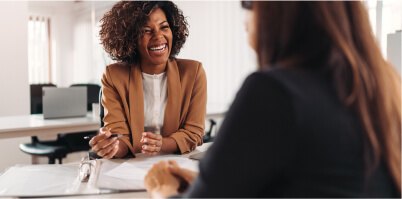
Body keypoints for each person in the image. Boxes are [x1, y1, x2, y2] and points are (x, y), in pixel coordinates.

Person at [144, 1, 401, 198]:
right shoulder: (384, 88)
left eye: (248, 4)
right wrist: (214, 183)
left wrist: (164, 190)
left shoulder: (274, 93)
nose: (246, 24)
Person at [89, 1, 207, 159]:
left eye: (164, 27)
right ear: (130, 38)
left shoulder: (193, 72)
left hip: (177, 162)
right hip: (132, 165)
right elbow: (120, 136)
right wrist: (113, 146)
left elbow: (194, 133)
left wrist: (161, 144)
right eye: (146, 30)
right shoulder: (113, 76)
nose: (158, 36)